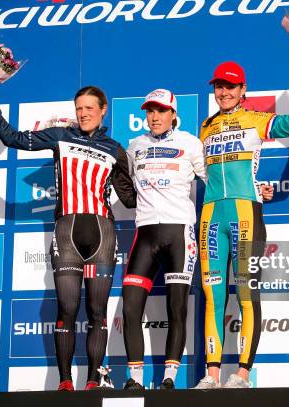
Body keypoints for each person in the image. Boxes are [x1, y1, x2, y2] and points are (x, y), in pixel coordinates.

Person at [0, 77, 137, 391]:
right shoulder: (61, 136)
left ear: (103, 110)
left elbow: (130, 198)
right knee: (67, 307)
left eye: (90, 108)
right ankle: (65, 383)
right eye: (79, 108)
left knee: (98, 313)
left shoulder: (115, 149)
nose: (84, 113)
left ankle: (93, 381)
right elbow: (13, 138)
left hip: (103, 234)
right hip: (67, 233)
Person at [195, 55, 289, 389]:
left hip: (246, 213)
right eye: (219, 86)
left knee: (246, 293)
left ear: (243, 89)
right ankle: (212, 374)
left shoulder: (255, 119)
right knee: (213, 294)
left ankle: (243, 374)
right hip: (210, 216)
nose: (224, 92)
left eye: (230, 86)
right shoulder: (205, 126)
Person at [121, 88, 205, 390]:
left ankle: (169, 379)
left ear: (173, 114)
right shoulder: (135, 146)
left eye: (160, 111)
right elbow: (120, 179)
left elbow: (214, 180)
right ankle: (135, 379)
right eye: (149, 111)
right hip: (144, 233)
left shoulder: (191, 144)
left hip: (179, 233)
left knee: (177, 306)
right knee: (130, 306)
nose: (154, 117)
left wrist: (252, 189)